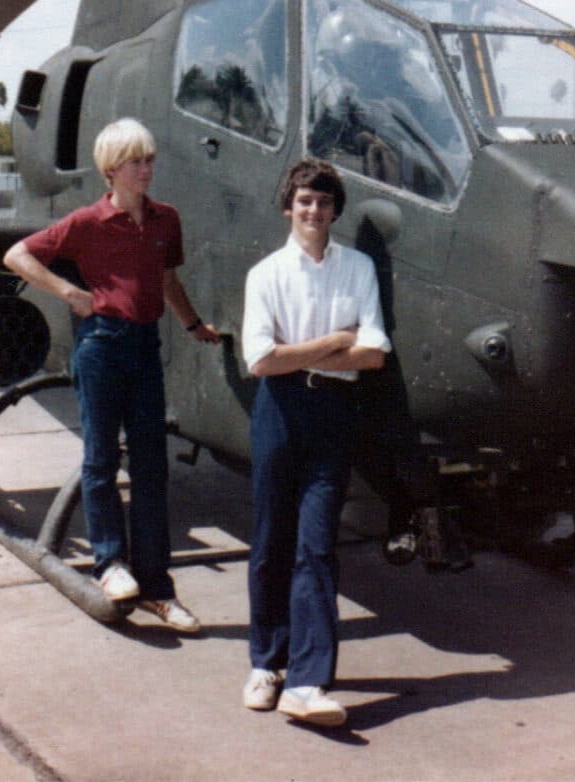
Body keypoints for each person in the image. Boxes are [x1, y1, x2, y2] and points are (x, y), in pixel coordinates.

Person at [3, 118, 220, 633]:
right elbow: (18, 255)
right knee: (100, 459)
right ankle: (110, 565)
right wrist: (69, 293)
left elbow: (167, 277)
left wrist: (191, 323)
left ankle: (158, 589)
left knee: (151, 466)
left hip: (146, 346)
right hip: (101, 345)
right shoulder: (87, 222)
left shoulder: (166, 219)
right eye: (135, 162)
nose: (146, 170)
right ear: (111, 170)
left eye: (149, 160)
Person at [239, 158, 391, 727]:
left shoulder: (358, 269)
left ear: (335, 210)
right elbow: (260, 360)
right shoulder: (266, 274)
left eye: (324, 202)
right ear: (288, 206)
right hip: (278, 412)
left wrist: (297, 351)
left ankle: (308, 682)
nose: (314, 210)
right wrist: (333, 340)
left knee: (317, 546)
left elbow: (373, 352)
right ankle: (266, 664)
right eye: (305, 201)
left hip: (333, 411)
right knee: (271, 541)